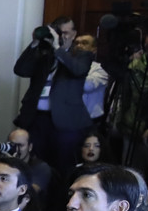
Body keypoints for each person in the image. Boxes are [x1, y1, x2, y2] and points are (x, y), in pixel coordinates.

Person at [13, 15, 94, 170]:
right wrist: (35, 43)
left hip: (65, 121)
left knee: (63, 166)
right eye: (58, 33)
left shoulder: (81, 55)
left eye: (66, 33)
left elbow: (78, 70)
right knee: (34, 164)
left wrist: (58, 48)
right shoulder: (44, 53)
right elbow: (20, 70)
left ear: (74, 34)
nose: (62, 37)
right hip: (37, 119)